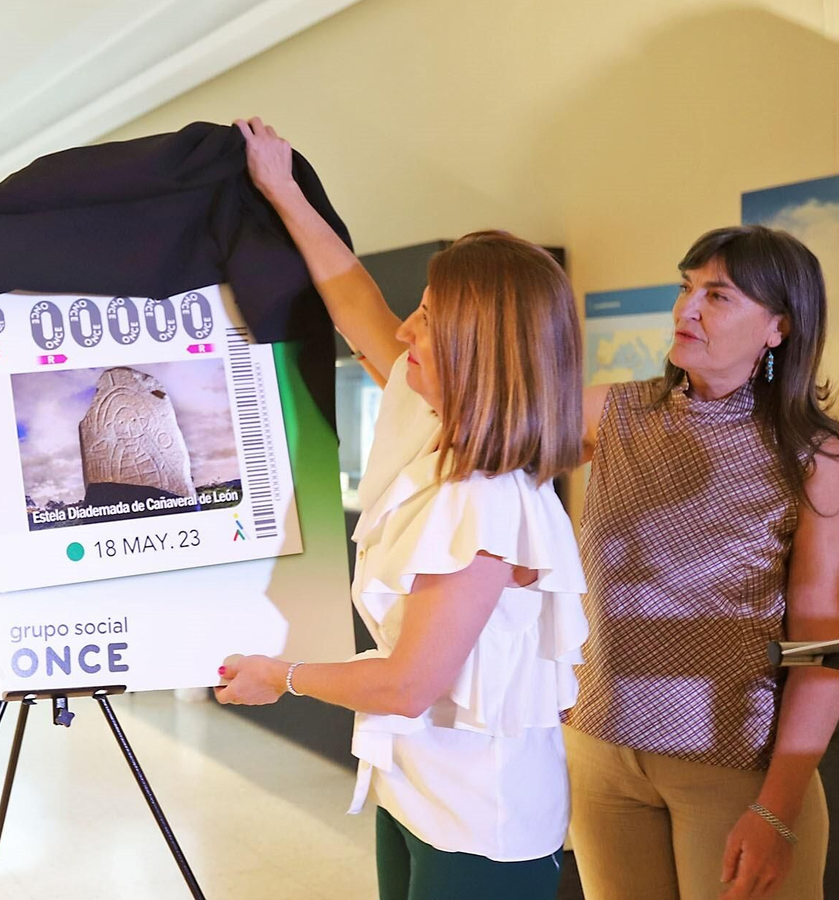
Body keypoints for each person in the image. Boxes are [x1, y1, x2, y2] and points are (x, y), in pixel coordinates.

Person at [217, 119, 587, 899]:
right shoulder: (434, 421)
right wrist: (282, 189)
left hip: (479, 819)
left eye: (429, 317)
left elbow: (407, 685)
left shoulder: (489, 501)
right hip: (415, 788)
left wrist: (281, 676)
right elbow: (355, 300)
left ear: (478, 347)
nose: (406, 328)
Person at [565, 226, 839, 900]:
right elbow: (484, 433)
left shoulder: (813, 458)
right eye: (686, 287)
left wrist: (776, 810)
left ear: (779, 326)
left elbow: (823, 653)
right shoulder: (613, 411)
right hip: (600, 757)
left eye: (718, 295)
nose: (687, 308)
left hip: (735, 769)